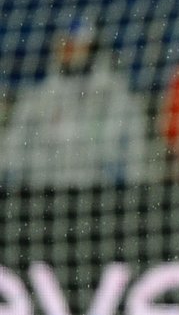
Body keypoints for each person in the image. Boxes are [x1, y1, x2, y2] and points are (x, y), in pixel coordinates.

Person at [0, 17, 148, 187]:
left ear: (92, 47)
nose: (69, 50)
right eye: (66, 44)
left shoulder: (117, 98)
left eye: (76, 45)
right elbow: (10, 156)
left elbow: (135, 159)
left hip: (98, 193)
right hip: (45, 192)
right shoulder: (36, 100)